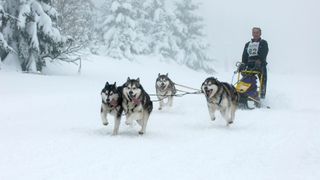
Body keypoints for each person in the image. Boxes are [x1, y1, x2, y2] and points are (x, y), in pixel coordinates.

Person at [241, 27, 269, 99]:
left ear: (260, 33)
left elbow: (264, 52)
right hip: (250, 64)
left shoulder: (263, 43)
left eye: (257, 32)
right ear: (252, 33)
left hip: (260, 64)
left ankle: (262, 97)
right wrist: (243, 64)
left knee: (263, 80)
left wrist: (260, 60)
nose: (255, 34)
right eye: (254, 32)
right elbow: (244, 55)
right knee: (246, 79)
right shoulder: (248, 44)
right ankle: (243, 93)